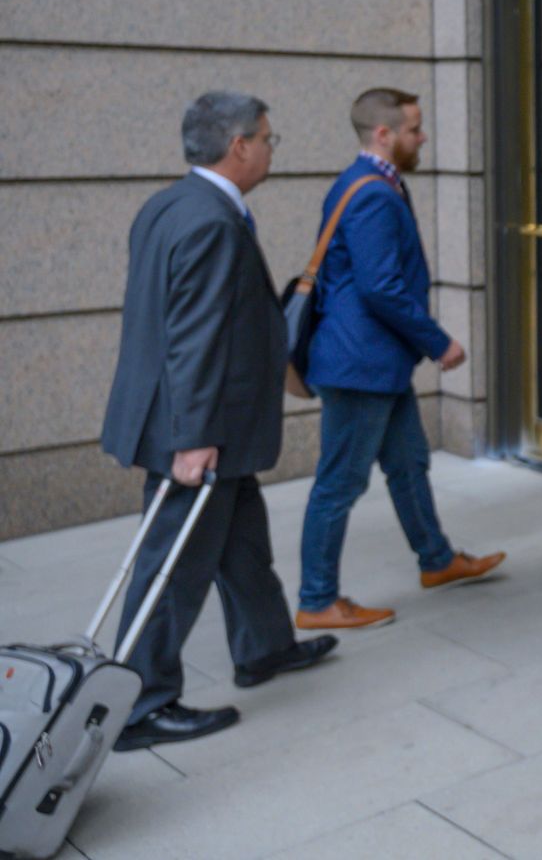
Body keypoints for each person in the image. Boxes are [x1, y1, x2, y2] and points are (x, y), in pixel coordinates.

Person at [100, 92, 338, 750]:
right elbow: (195, 338)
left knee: (242, 546)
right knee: (174, 566)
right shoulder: (210, 221)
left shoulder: (172, 204)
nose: (269, 148)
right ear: (239, 146)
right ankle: (141, 704)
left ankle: (264, 648)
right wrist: (194, 439)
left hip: (206, 422)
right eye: (267, 138)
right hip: (200, 429)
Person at [294, 88, 503, 630]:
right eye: (414, 128)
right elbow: (381, 287)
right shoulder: (371, 194)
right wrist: (439, 342)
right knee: (340, 483)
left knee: (408, 464)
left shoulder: (372, 184)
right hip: (361, 366)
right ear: (383, 135)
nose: (423, 136)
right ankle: (317, 600)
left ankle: (437, 561)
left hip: (376, 364)